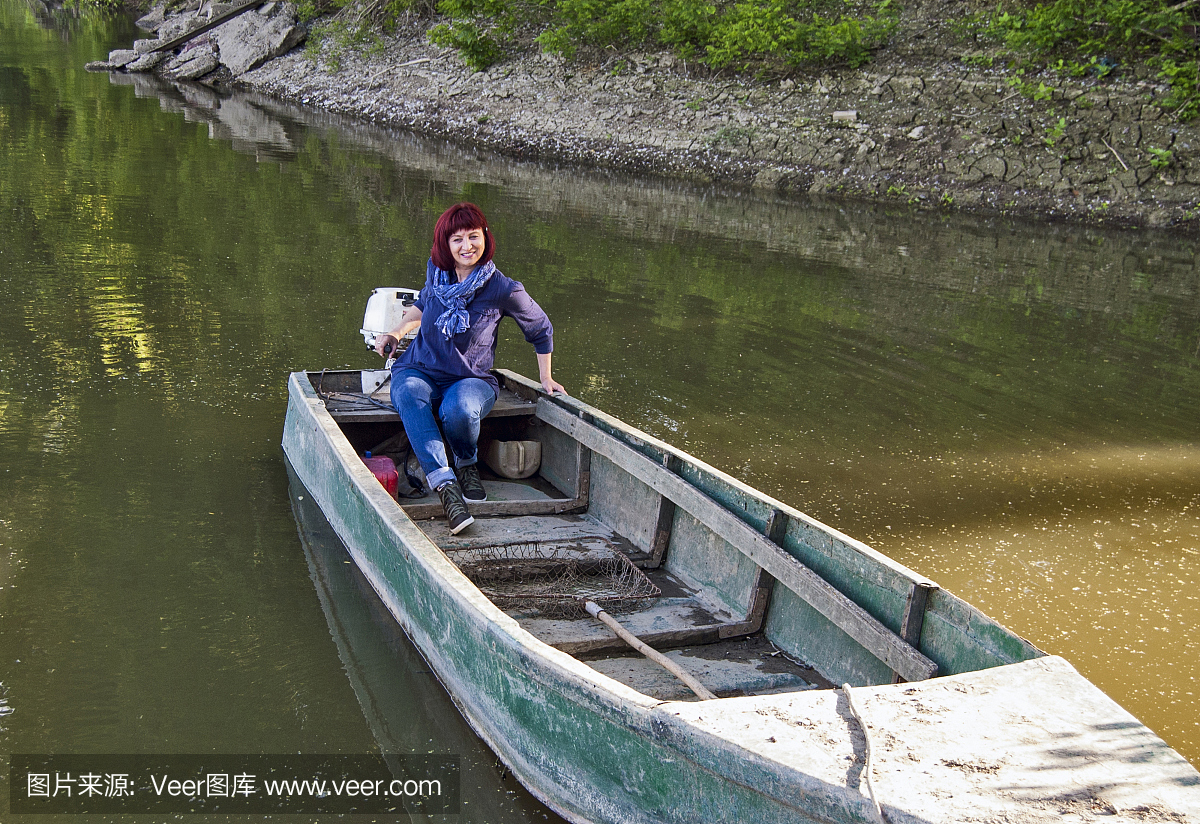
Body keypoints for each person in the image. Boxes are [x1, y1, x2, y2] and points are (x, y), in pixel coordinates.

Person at [374, 203, 566, 534]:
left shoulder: (503, 288)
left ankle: (466, 463)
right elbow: (422, 305)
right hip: (420, 369)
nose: (467, 247)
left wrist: (545, 377)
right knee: (407, 391)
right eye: (457, 239)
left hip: (471, 378)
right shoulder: (437, 274)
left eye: (473, 237)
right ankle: (447, 489)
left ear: (485, 238)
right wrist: (395, 332)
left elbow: (540, 328)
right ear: (445, 245)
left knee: (460, 409)